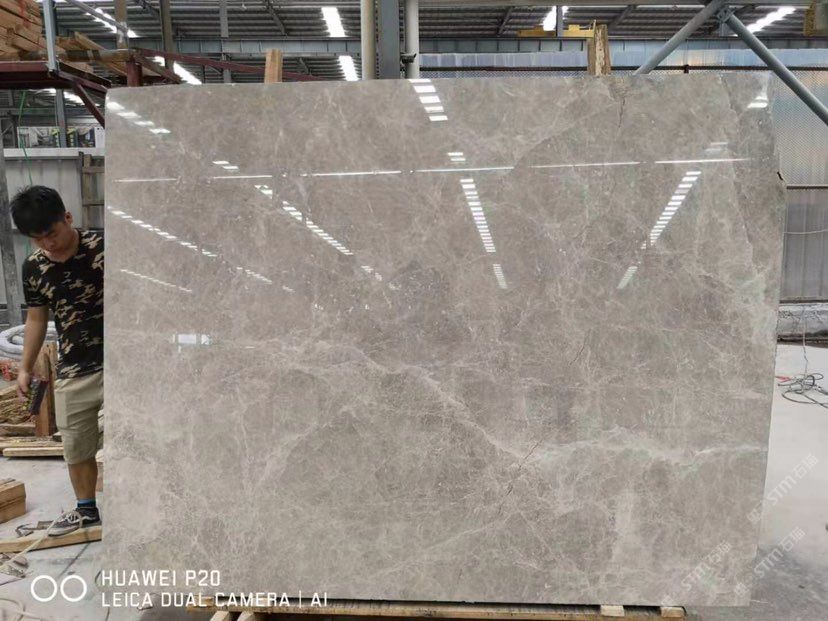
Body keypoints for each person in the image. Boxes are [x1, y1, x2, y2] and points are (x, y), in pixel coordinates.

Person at [11, 185, 104, 536]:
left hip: (121, 362)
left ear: (67, 217)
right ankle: (86, 510)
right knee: (76, 445)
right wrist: (24, 367)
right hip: (74, 366)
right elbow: (36, 319)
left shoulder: (105, 247)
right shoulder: (34, 267)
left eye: (51, 233)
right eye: (37, 239)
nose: (47, 244)